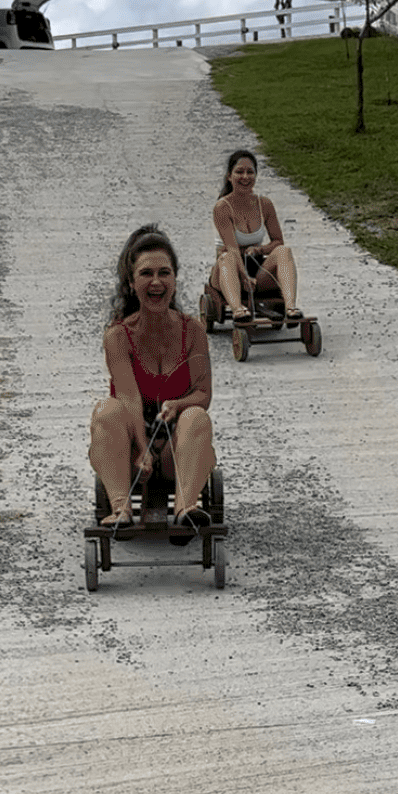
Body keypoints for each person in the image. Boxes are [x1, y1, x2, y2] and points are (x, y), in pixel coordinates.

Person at [89, 227, 215, 542]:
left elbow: (203, 393)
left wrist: (178, 404)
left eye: (164, 273)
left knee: (196, 415)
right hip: (130, 451)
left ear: (174, 280)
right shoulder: (118, 336)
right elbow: (130, 400)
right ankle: (121, 509)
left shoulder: (194, 331)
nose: (156, 282)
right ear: (132, 284)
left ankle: (186, 509)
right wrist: (143, 451)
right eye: (146, 274)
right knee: (106, 410)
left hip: (179, 450)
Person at [212, 149, 304, 325]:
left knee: (284, 251)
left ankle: (291, 307)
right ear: (229, 176)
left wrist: (259, 249)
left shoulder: (264, 204)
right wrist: (244, 278)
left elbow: (278, 241)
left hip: (256, 271)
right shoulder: (222, 208)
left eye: (250, 172)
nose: (245, 177)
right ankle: (238, 309)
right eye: (239, 172)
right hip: (229, 271)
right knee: (228, 256)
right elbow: (231, 248)